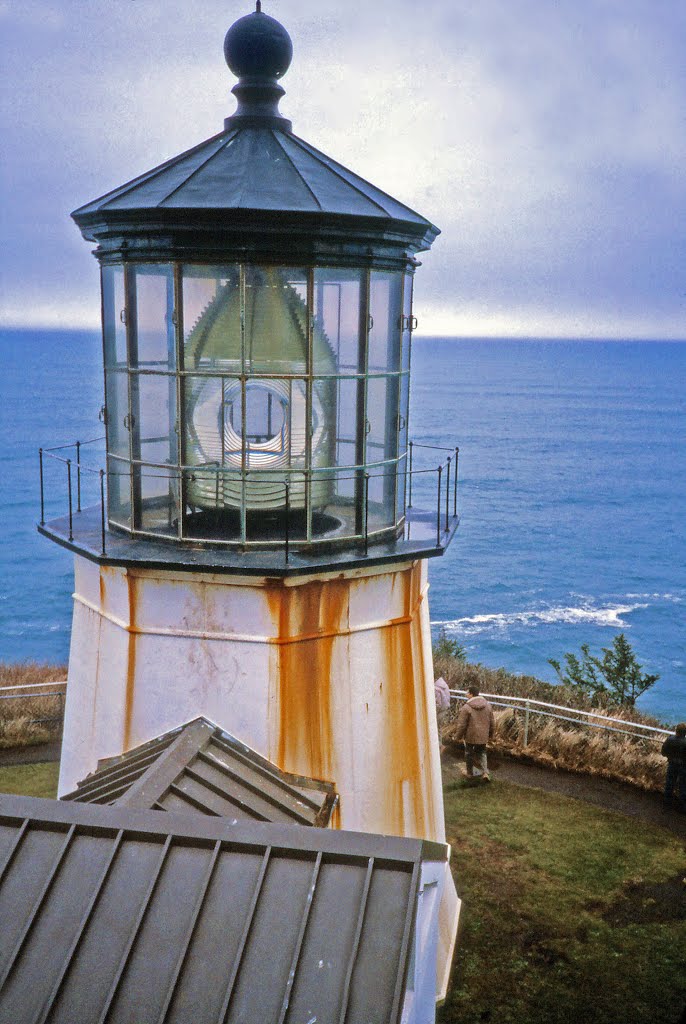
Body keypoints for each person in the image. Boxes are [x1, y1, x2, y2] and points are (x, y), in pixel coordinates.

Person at [453, 683, 495, 781]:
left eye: (467, 692)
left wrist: (457, 737)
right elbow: (492, 722)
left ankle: (470, 773)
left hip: (470, 735)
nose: (466, 694)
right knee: (482, 752)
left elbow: (462, 725)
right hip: (483, 735)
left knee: (469, 753)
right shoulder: (488, 705)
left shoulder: (466, 707)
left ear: (471, 694)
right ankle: (485, 772)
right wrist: (491, 734)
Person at [661, 722, 686, 812]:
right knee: (683, 786)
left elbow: (663, 752)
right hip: (683, 767)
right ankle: (683, 806)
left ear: (676, 730)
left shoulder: (670, 739)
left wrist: (670, 757)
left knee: (669, 783)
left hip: (672, 764)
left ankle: (667, 802)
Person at [434, 676, 451, 754]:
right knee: (439, 728)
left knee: (435, 727)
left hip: (439, 711)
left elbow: (438, 703)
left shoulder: (436, 689)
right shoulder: (445, 686)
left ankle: (439, 746)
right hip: (444, 710)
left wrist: (433, 711)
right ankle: (439, 745)